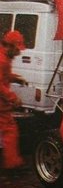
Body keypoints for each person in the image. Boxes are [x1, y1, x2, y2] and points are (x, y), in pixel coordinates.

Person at [0, 30, 27, 170]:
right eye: (17, 49)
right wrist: (13, 98)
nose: (19, 53)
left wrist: (15, 78)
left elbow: (4, 76)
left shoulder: (4, 57)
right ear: (10, 46)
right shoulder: (2, 60)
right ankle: (12, 164)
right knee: (10, 130)